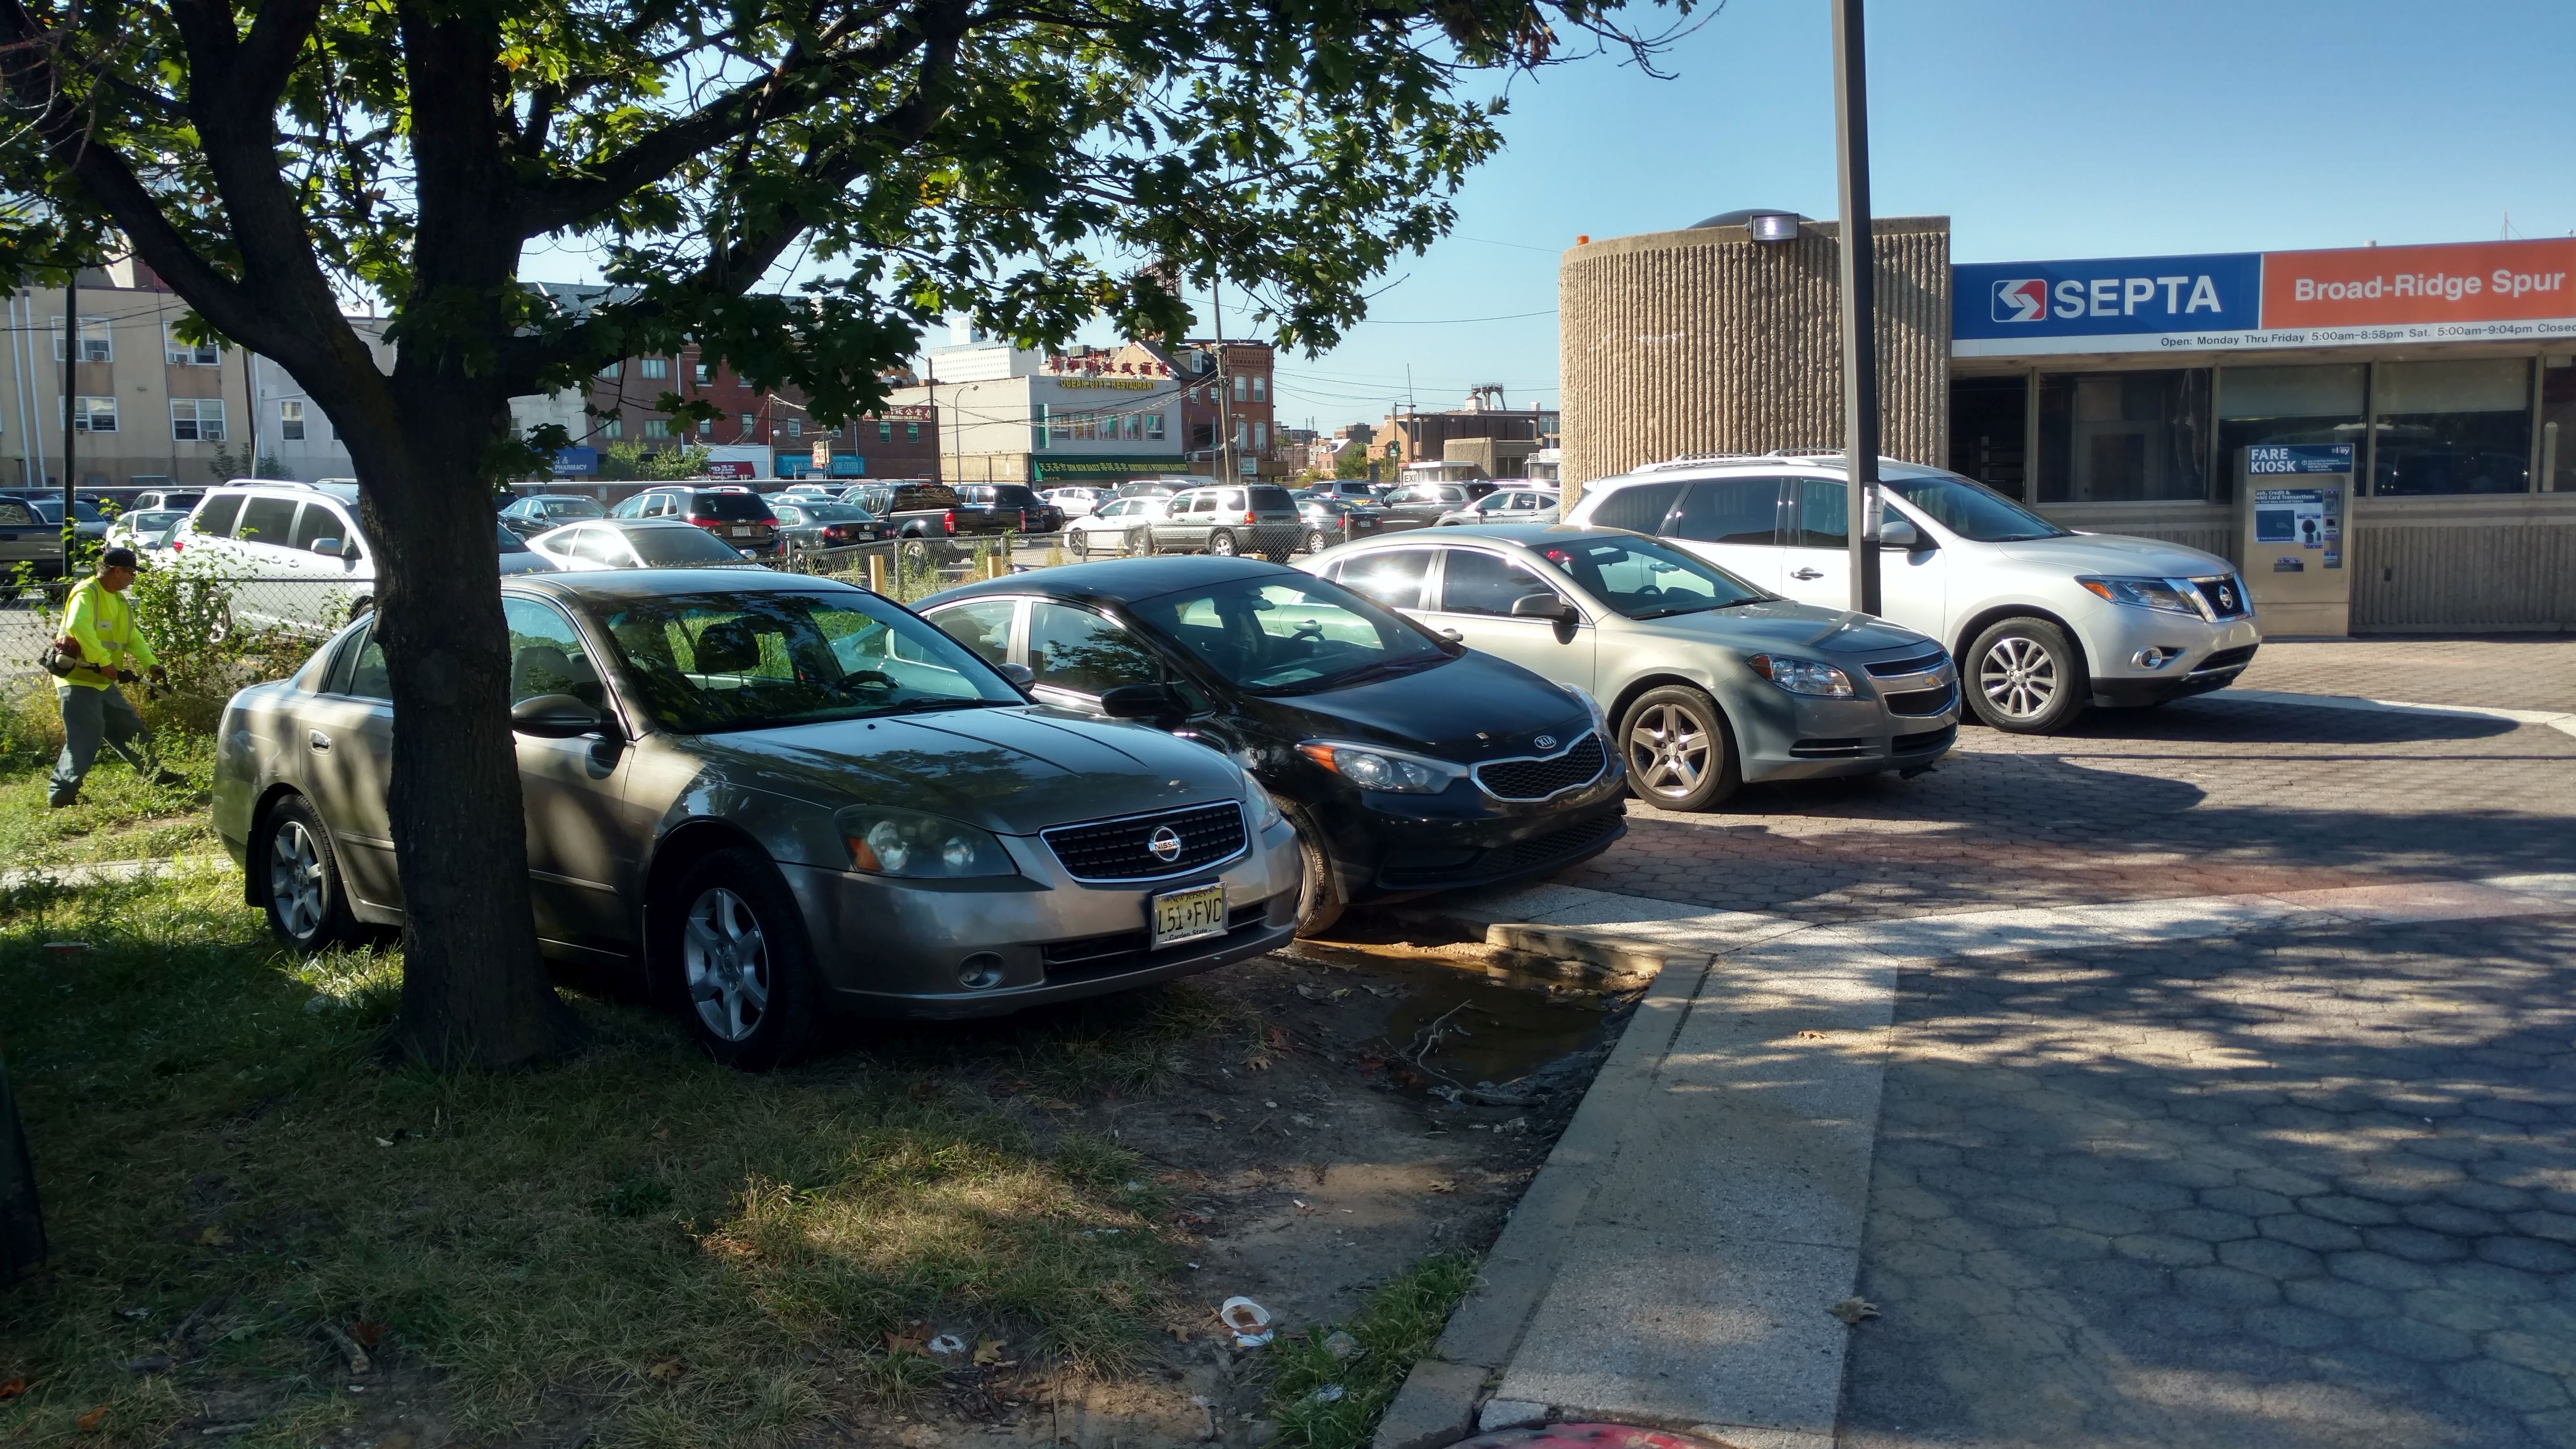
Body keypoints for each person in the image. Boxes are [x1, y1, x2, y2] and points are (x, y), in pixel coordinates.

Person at [48, 546, 184, 808]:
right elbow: (78, 626)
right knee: (86, 734)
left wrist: (151, 664)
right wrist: (104, 662)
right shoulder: (87, 593)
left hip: (101, 680)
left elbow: (133, 637)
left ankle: (155, 775)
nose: (133, 578)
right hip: (77, 677)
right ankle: (62, 793)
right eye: (131, 573)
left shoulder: (119, 601)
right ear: (117, 570)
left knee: (128, 727)